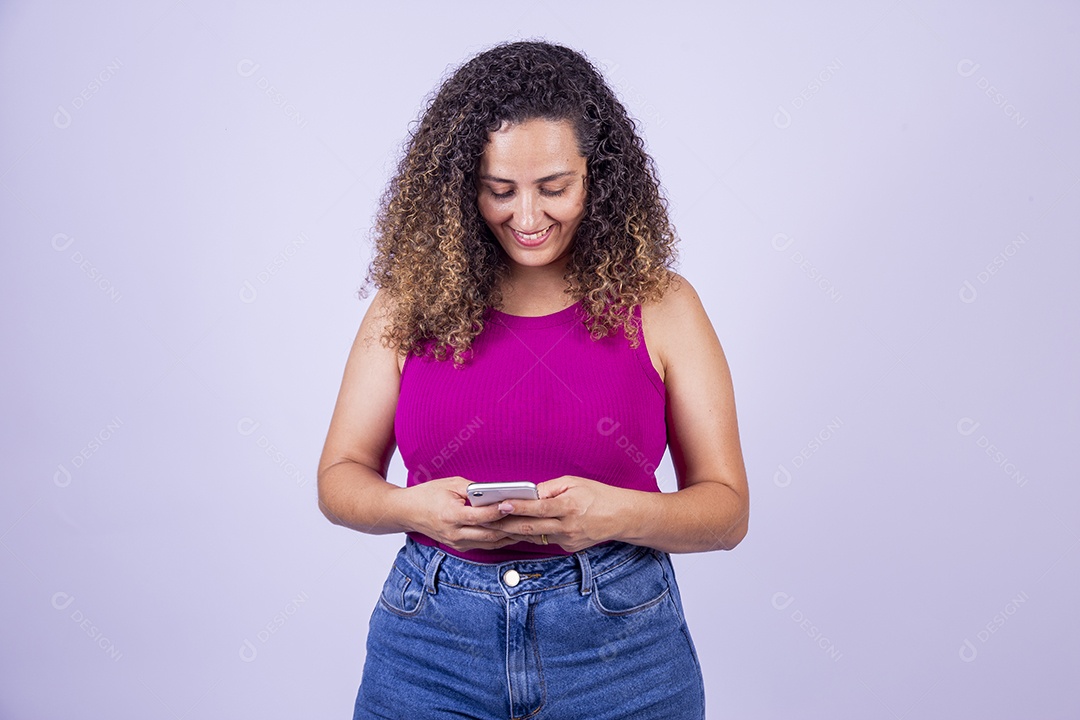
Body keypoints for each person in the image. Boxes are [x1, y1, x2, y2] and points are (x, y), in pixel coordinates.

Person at [317, 40, 749, 720]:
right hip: (433, 645)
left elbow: (726, 512)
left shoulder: (664, 306)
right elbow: (339, 478)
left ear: (598, 176)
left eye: (554, 188)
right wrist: (415, 509)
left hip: (621, 650)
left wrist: (617, 514)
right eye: (499, 190)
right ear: (464, 187)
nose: (526, 217)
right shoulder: (409, 303)